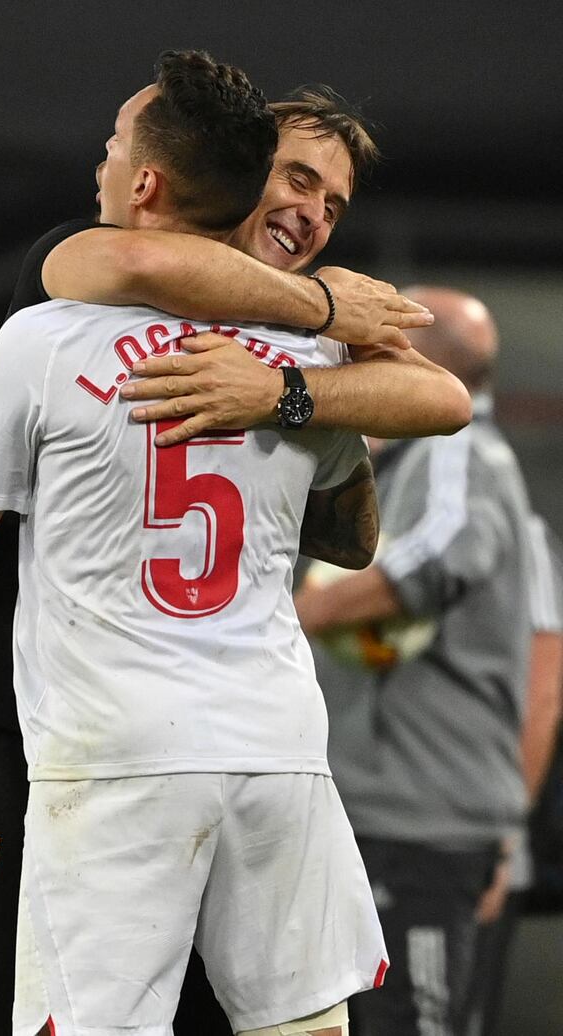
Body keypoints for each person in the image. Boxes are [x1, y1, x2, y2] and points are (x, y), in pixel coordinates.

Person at [0, 76, 472, 1036]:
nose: (310, 211)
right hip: (29, 719)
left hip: (126, 742)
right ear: (232, 173)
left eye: (333, 204)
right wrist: (317, 312)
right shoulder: (85, 263)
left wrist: (287, 393)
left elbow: (432, 410)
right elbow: (142, 255)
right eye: (296, 179)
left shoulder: (253, 352)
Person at [294, 287, 535, 1036]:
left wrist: (281, 621)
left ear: (408, 358)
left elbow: (439, 555)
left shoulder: (454, 445)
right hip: (388, 813)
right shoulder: (405, 460)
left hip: (421, 818)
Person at [465, 514, 563, 1035]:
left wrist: (502, 838)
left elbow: (543, 696)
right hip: (384, 832)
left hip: (475, 838)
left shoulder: (519, 531)